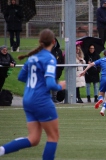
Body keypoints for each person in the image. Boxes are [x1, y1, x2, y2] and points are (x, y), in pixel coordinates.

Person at [0, 29, 66, 159]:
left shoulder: (32, 58)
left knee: (34, 139)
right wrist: (61, 86)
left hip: (28, 100)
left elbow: (21, 77)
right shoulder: (50, 59)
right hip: (41, 100)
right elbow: (51, 84)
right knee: (53, 136)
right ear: (53, 42)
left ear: (40, 42)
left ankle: (2, 150)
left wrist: (35, 83)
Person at [80, 50, 106, 116]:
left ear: (104, 54)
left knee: (101, 94)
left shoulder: (101, 60)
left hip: (104, 78)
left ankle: (100, 99)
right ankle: (102, 110)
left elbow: (91, 64)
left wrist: (84, 71)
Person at [50, 38, 64, 103]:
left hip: (56, 71)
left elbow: (61, 61)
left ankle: (54, 97)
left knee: (55, 84)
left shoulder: (59, 51)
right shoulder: (48, 50)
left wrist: (60, 69)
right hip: (49, 71)